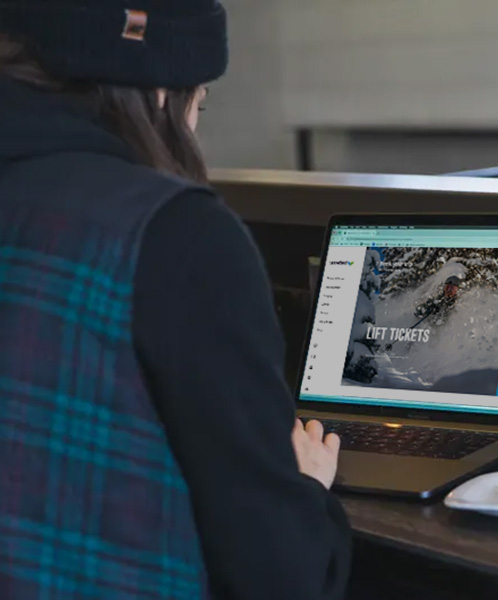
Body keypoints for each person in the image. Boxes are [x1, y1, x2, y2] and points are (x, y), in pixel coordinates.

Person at [0, 2, 350, 599]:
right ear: (162, 94)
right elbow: (278, 574)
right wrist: (308, 490)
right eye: (200, 103)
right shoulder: (174, 234)